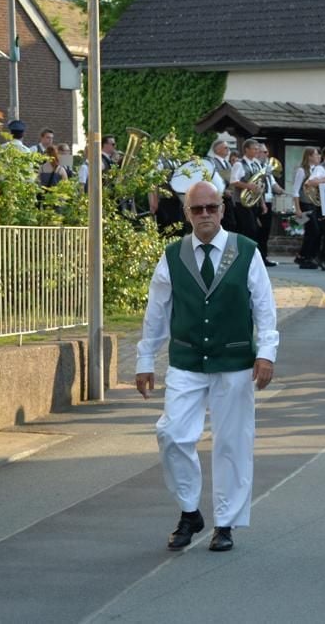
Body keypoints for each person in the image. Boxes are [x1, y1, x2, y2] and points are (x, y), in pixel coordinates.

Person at [135, 180, 278, 553]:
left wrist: (266, 352)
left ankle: (226, 522)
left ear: (222, 209)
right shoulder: (173, 255)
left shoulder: (246, 251)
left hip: (234, 360)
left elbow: (264, 306)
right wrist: (145, 359)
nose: (205, 215)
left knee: (232, 441)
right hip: (187, 359)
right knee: (172, 433)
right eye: (197, 209)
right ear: (187, 213)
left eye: (211, 208)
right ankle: (189, 510)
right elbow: (156, 311)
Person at [229, 139, 264, 243]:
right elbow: (233, 181)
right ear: (246, 149)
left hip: (254, 202)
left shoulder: (256, 164)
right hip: (242, 203)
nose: (257, 151)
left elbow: (258, 184)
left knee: (255, 230)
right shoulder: (239, 164)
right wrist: (248, 186)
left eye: (257, 149)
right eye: (254, 149)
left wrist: (262, 203)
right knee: (249, 229)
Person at [292, 147, 322, 269]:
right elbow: (295, 190)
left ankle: (307, 256)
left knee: (313, 231)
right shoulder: (302, 170)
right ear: (309, 156)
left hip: (313, 203)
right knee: (313, 230)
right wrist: (297, 208)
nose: (318, 157)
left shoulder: (316, 170)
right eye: (316, 155)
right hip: (305, 203)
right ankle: (304, 256)